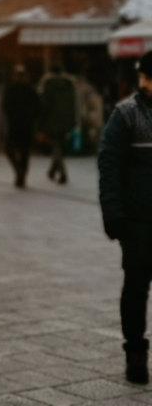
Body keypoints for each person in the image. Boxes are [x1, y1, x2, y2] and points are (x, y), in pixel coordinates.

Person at [98, 50, 152, 385]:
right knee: (136, 287)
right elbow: (110, 165)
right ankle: (135, 351)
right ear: (145, 79)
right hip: (138, 220)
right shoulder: (126, 115)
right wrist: (114, 213)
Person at [2, 65, 41, 188]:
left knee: (9, 150)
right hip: (27, 126)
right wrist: (32, 118)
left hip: (14, 125)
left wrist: (11, 116)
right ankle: (22, 176)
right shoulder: (31, 89)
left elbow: (5, 107)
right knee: (25, 152)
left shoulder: (10, 89)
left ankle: (18, 170)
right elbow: (38, 108)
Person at [39, 63, 78, 184]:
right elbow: (74, 104)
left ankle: (63, 173)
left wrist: (41, 121)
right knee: (60, 146)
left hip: (52, 120)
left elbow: (45, 105)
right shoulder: (69, 83)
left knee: (56, 146)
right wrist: (73, 120)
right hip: (67, 120)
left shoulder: (48, 84)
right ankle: (52, 170)